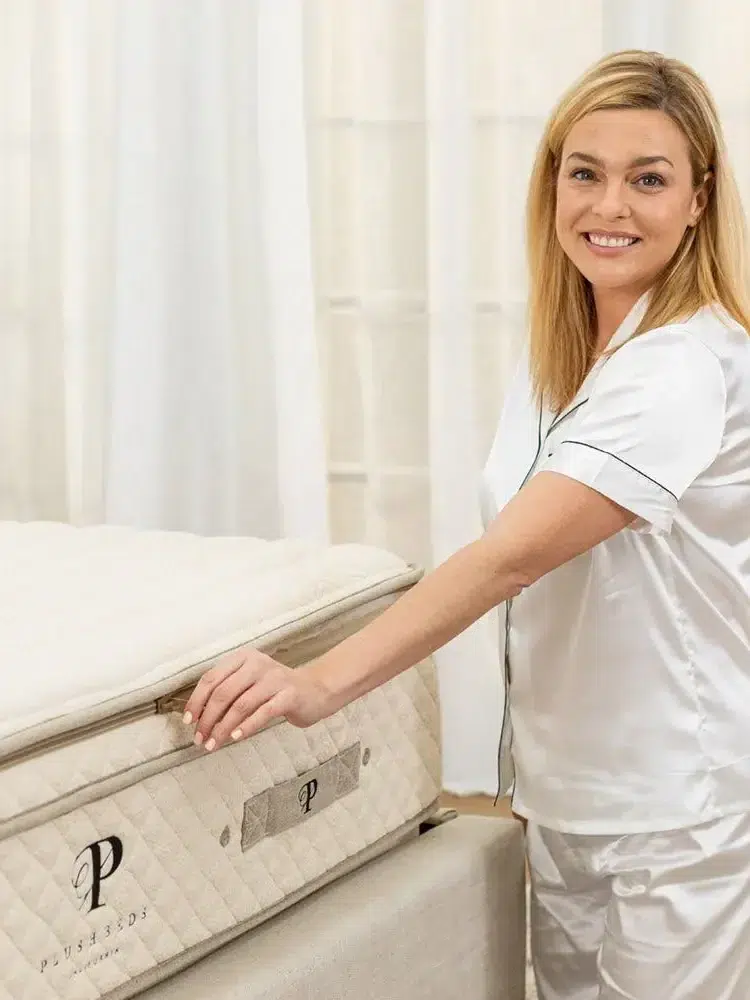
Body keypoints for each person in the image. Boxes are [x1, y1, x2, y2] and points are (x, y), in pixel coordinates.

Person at [183, 50, 750, 999]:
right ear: (552, 187)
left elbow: (508, 560)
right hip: (569, 787)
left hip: (677, 802)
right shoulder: (569, 352)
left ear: (697, 201)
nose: (609, 206)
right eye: (586, 173)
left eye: (648, 179)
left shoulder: (682, 366)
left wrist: (320, 684)